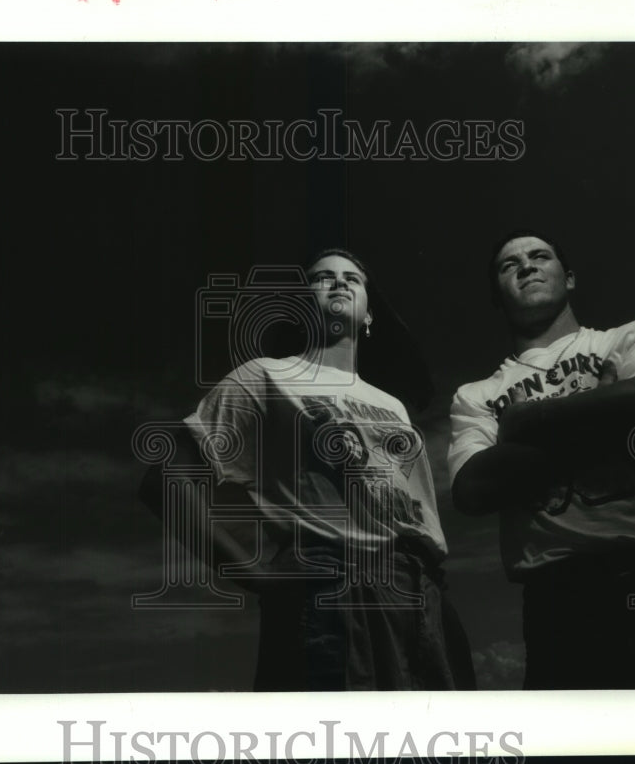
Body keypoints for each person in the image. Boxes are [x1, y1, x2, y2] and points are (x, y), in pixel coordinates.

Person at [160, 248, 474, 691]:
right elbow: (168, 477)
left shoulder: (392, 405)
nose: (339, 282)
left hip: (421, 588)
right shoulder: (265, 376)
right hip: (332, 584)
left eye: (353, 278)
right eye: (321, 278)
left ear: (369, 315)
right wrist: (255, 575)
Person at [447, 230, 635, 689]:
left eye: (540, 256)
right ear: (496, 295)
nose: (527, 265)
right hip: (561, 601)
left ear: (569, 277)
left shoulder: (634, 337)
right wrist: (608, 413)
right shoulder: (475, 395)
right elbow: (473, 488)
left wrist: (526, 421)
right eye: (508, 264)